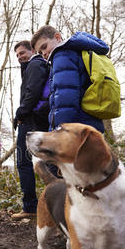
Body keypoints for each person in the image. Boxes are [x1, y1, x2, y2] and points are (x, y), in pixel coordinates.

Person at [31, 25, 106, 133]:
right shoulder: (76, 53)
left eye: (44, 46)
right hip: (88, 125)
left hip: (73, 132)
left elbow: (65, 99)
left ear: (57, 37)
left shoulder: (62, 55)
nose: (44, 54)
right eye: (40, 52)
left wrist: (60, 132)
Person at [11, 40, 50, 221]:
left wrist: (20, 112)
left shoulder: (35, 65)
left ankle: (31, 206)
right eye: (17, 55)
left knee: (24, 162)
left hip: (31, 120)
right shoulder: (37, 65)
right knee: (47, 161)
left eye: (22, 53)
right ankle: (46, 206)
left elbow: (32, 92)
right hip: (39, 118)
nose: (20, 57)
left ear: (32, 50)